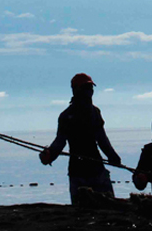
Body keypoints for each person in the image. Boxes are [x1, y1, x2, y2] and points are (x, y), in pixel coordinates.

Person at [39, 73, 121, 204]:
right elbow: (60, 142)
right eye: (86, 88)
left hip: (91, 170)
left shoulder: (92, 112)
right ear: (76, 90)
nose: (90, 91)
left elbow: (101, 139)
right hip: (83, 172)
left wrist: (113, 156)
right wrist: (49, 155)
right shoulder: (68, 116)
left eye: (90, 88)